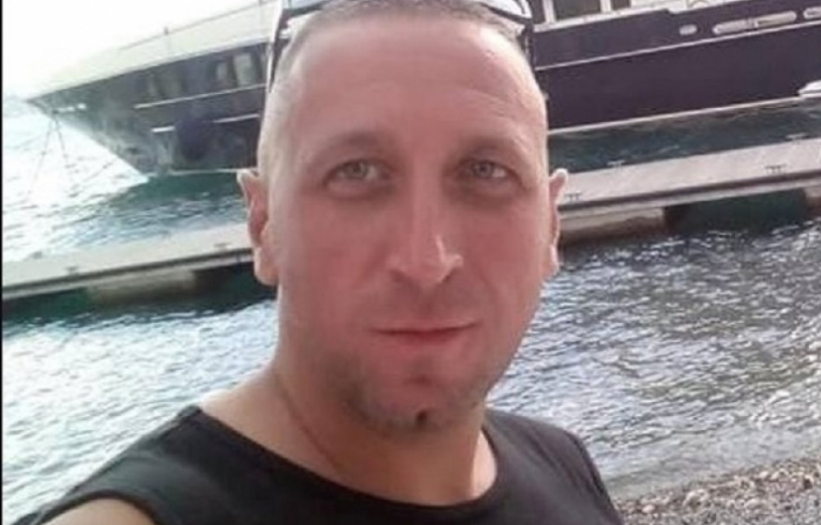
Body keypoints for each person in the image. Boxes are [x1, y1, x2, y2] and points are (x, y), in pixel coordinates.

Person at [17, 0, 623, 523]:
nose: (426, 261)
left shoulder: (564, 464)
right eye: (355, 173)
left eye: (486, 171)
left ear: (550, 225)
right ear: (263, 226)